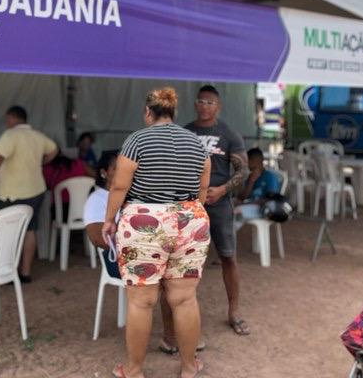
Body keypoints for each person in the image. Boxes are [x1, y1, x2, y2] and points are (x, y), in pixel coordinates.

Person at [104, 87, 210, 378]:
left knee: (141, 301)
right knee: (185, 299)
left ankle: (134, 370)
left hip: (145, 220)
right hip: (190, 218)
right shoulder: (195, 142)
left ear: (148, 112)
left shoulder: (137, 140)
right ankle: (189, 367)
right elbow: (202, 187)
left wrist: (109, 220)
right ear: (174, 113)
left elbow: (119, 185)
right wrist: (187, 214)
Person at [184, 85, 250, 336]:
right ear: (195, 104)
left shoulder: (229, 134)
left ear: (218, 106)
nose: (204, 106)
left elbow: (243, 170)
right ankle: (186, 314)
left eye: (209, 103)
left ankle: (234, 311)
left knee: (228, 257)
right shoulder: (185, 132)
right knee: (187, 261)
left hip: (220, 204)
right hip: (191, 204)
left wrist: (222, 190)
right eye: (200, 101)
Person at [0, 105, 57, 282]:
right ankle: (25, 273)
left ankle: (5, 272)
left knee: (6, 231)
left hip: (11, 193)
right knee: (30, 229)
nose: (5, 122)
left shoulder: (9, 135)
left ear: (12, 118)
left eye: (6, 119)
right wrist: (40, 162)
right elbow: (54, 150)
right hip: (36, 190)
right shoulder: (37, 136)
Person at [236, 148, 282, 220]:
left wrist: (248, 203)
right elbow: (242, 198)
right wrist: (251, 181)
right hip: (250, 206)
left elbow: (271, 199)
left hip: (263, 209)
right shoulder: (250, 176)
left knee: (237, 213)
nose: (247, 165)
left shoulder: (269, 177)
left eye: (249, 161)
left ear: (257, 161)